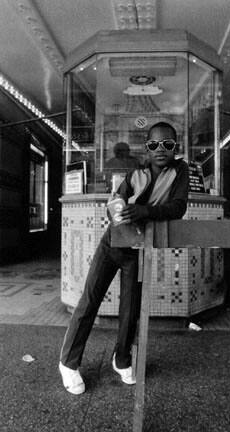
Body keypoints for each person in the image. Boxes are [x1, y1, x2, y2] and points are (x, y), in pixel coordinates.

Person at [59, 122, 189, 395]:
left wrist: (142, 211)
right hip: (112, 244)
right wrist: (118, 209)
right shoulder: (135, 174)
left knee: (130, 310)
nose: (161, 149)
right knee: (90, 300)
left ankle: (122, 359)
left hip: (138, 250)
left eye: (168, 144)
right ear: (147, 147)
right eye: (154, 144)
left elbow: (178, 208)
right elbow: (115, 203)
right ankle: (68, 363)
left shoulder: (181, 172)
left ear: (176, 147)